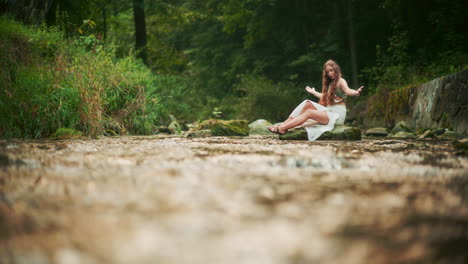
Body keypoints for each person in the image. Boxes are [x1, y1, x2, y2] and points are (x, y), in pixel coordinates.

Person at [268, 60, 363, 141]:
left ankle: (282, 128)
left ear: (336, 69)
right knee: (307, 102)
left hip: (337, 116)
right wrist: (314, 92)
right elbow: (325, 97)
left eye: (331, 70)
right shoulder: (331, 84)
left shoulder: (341, 81)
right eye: (328, 72)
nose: (330, 73)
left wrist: (356, 92)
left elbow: (348, 90)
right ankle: (283, 124)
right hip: (329, 111)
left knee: (309, 112)